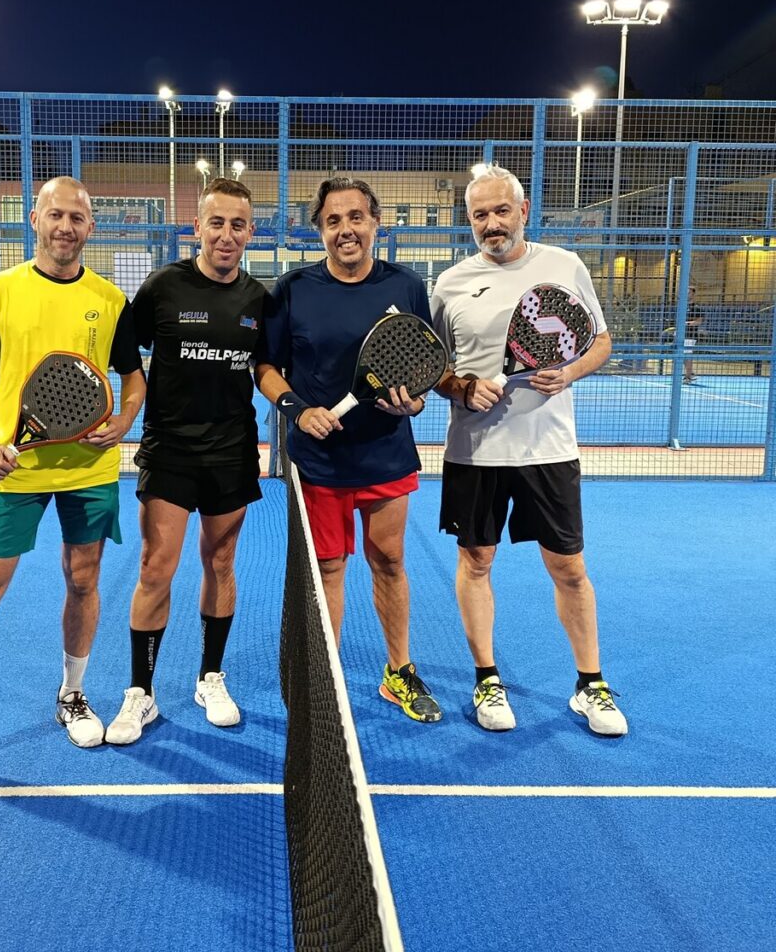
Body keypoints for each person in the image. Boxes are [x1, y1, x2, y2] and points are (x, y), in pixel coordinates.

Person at [0, 177, 147, 798]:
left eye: (79, 217)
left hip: (89, 471)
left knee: (84, 579)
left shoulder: (110, 299)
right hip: (14, 472)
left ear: (91, 227)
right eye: (56, 214)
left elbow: (132, 376)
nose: (67, 226)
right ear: (35, 218)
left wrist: (122, 421)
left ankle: (72, 693)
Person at [429, 165, 627, 736]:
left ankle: (590, 685)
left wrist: (569, 373)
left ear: (523, 209)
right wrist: (461, 385)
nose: (491, 224)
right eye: (479, 215)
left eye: (500, 211)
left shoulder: (563, 267)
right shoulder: (450, 283)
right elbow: (435, 368)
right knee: (477, 561)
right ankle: (486, 677)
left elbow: (601, 340)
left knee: (568, 566)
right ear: (469, 222)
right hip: (475, 452)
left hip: (549, 450)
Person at [256, 176, 442, 724]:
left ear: (375, 222)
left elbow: (420, 368)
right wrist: (295, 408)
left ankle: (398, 673)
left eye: (356, 217)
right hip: (319, 462)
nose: (346, 230)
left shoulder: (407, 286)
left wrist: (413, 405)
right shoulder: (293, 289)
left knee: (390, 560)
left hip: (386, 454)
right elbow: (264, 366)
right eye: (333, 221)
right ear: (320, 230)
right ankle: (326, 680)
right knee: (329, 571)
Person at [103, 178, 267, 744]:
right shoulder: (163, 287)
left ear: (251, 231)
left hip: (231, 451)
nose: (226, 235)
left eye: (238, 224)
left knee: (221, 563)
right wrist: (128, 409)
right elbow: (125, 355)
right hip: (169, 449)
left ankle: (210, 677)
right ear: (196, 228)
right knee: (156, 566)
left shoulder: (257, 300)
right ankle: (141, 693)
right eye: (216, 223)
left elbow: (268, 368)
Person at [682, 285, 704, 383]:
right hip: (681, 334)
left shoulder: (696, 308)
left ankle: (688, 377)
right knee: (681, 355)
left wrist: (687, 323)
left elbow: (698, 322)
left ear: (693, 294)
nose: (687, 294)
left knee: (687, 355)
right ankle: (690, 373)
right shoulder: (682, 306)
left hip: (690, 335)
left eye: (689, 292)